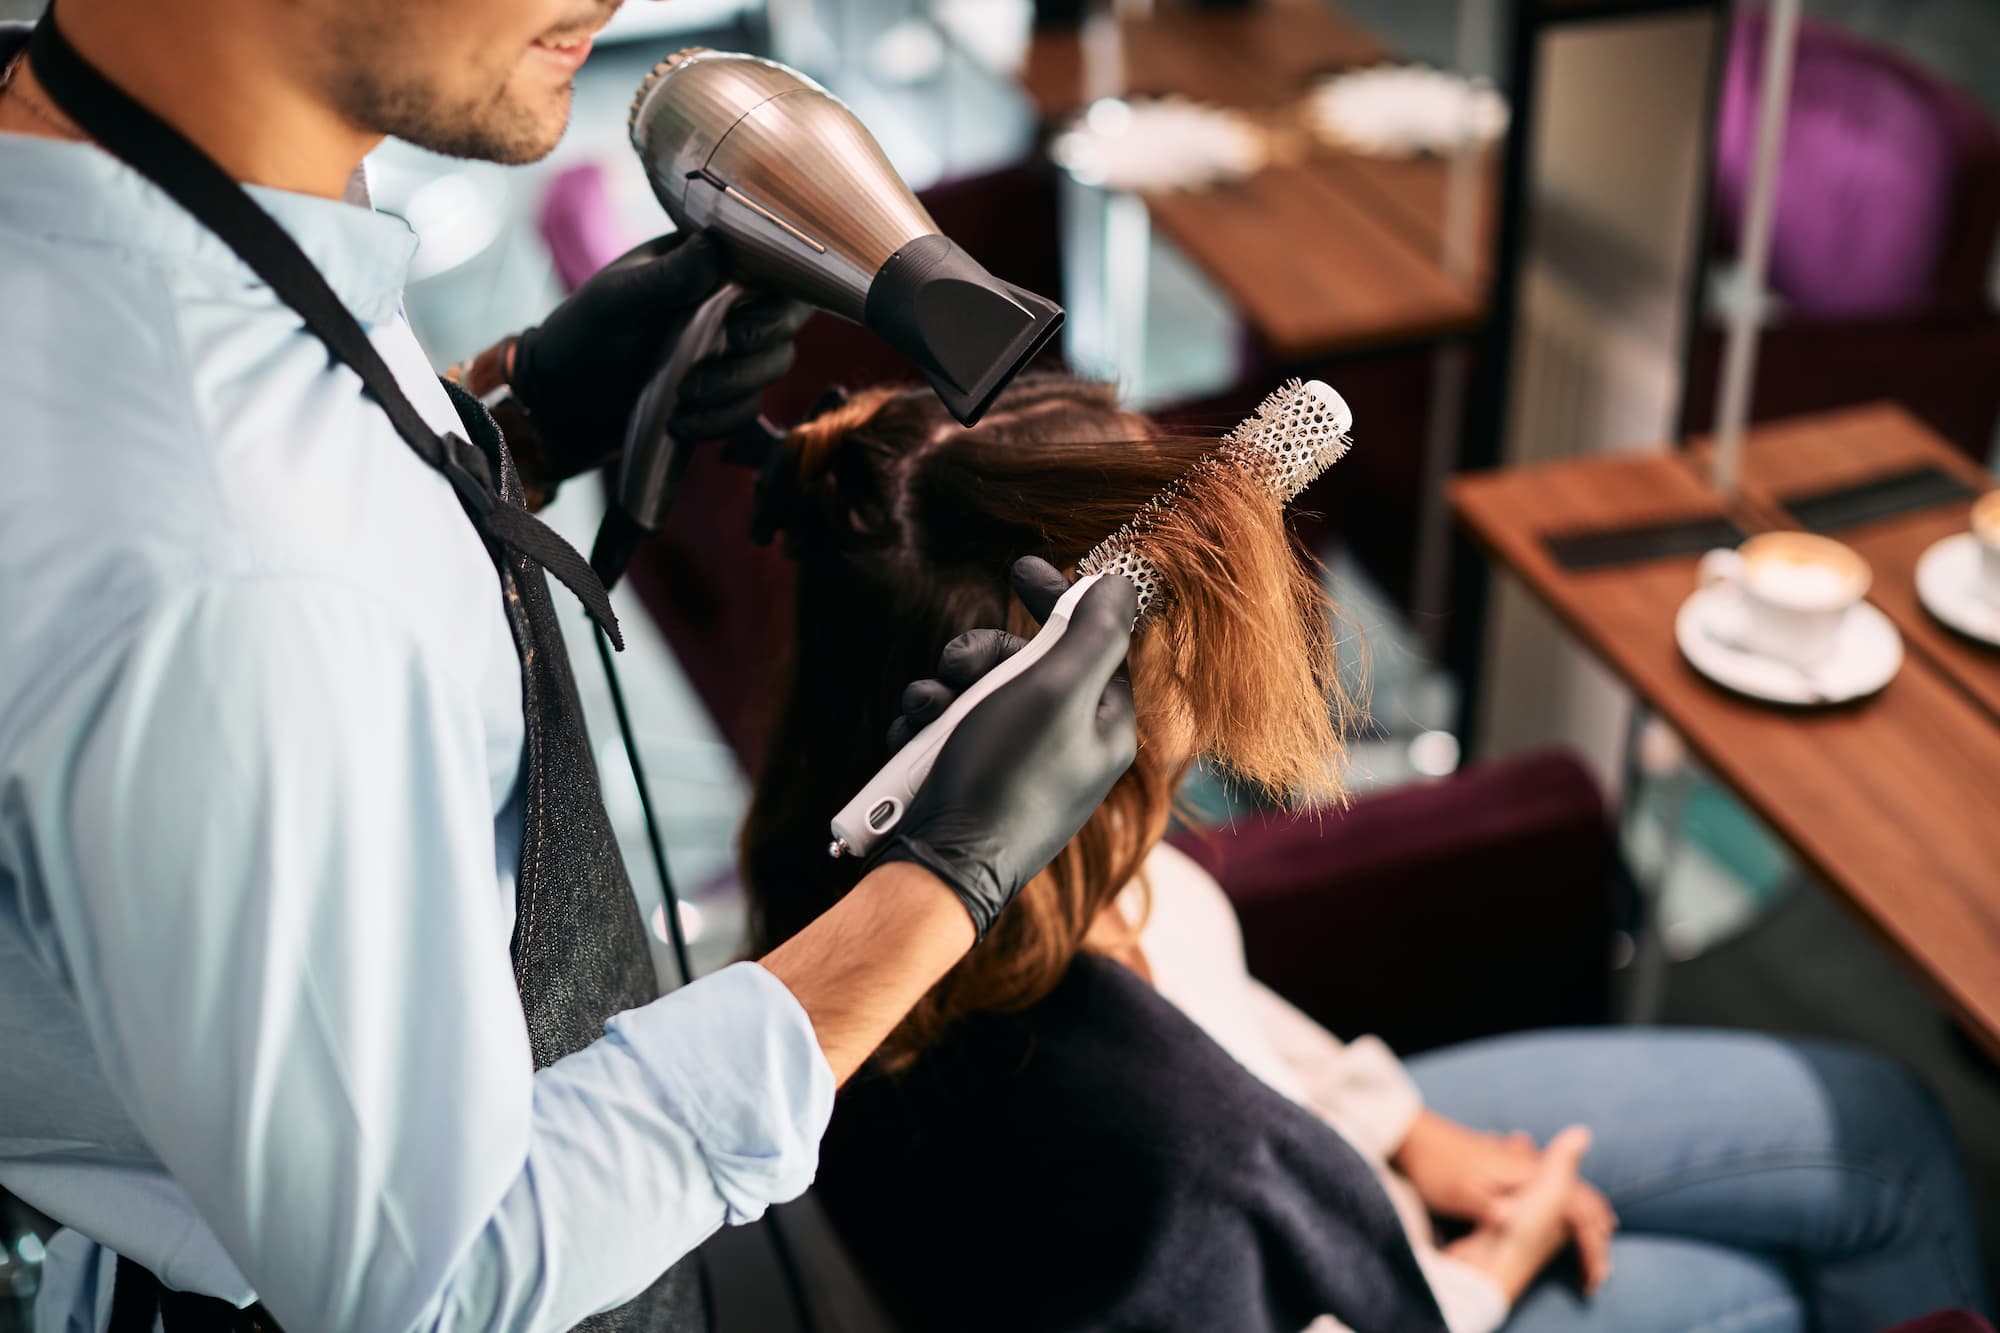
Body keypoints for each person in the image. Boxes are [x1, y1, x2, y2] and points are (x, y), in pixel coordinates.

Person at [0, 3, 1141, 1331]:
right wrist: (941, 884)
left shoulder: (97, 163)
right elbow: (432, 1280)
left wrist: (515, 420)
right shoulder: (234, 576)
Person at [740, 375, 1994, 1333]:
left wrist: (1400, 1126)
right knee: (1777, 1283)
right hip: (1389, 1291)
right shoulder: (1134, 1140)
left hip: (1320, 1164)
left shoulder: (935, 859)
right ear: (1054, 678)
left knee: (1880, 1123)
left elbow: (1229, 1024)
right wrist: (1487, 1269)